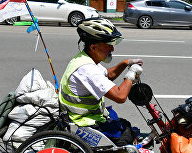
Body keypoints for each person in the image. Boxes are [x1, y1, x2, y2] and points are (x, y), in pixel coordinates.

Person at [59, 17, 143, 146]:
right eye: (108, 45)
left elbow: (107, 75)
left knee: (122, 123)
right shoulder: (87, 69)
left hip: (83, 117)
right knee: (127, 132)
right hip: (83, 123)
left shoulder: (84, 58)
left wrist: (125, 63)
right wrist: (131, 75)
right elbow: (120, 96)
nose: (112, 49)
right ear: (93, 47)